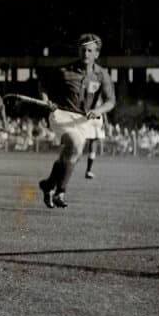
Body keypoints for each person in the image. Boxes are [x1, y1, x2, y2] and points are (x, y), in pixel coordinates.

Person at [38, 34, 116, 209]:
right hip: (61, 115)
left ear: (96, 53)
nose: (85, 53)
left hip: (82, 119)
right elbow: (44, 85)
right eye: (82, 49)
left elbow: (110, 101)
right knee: (75, 144)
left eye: (90, 50)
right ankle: (60, 192)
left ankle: (49, 184)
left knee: (72, 154)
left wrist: (97, 110)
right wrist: (45, 100)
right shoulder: (64, 71)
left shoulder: (102, 74)